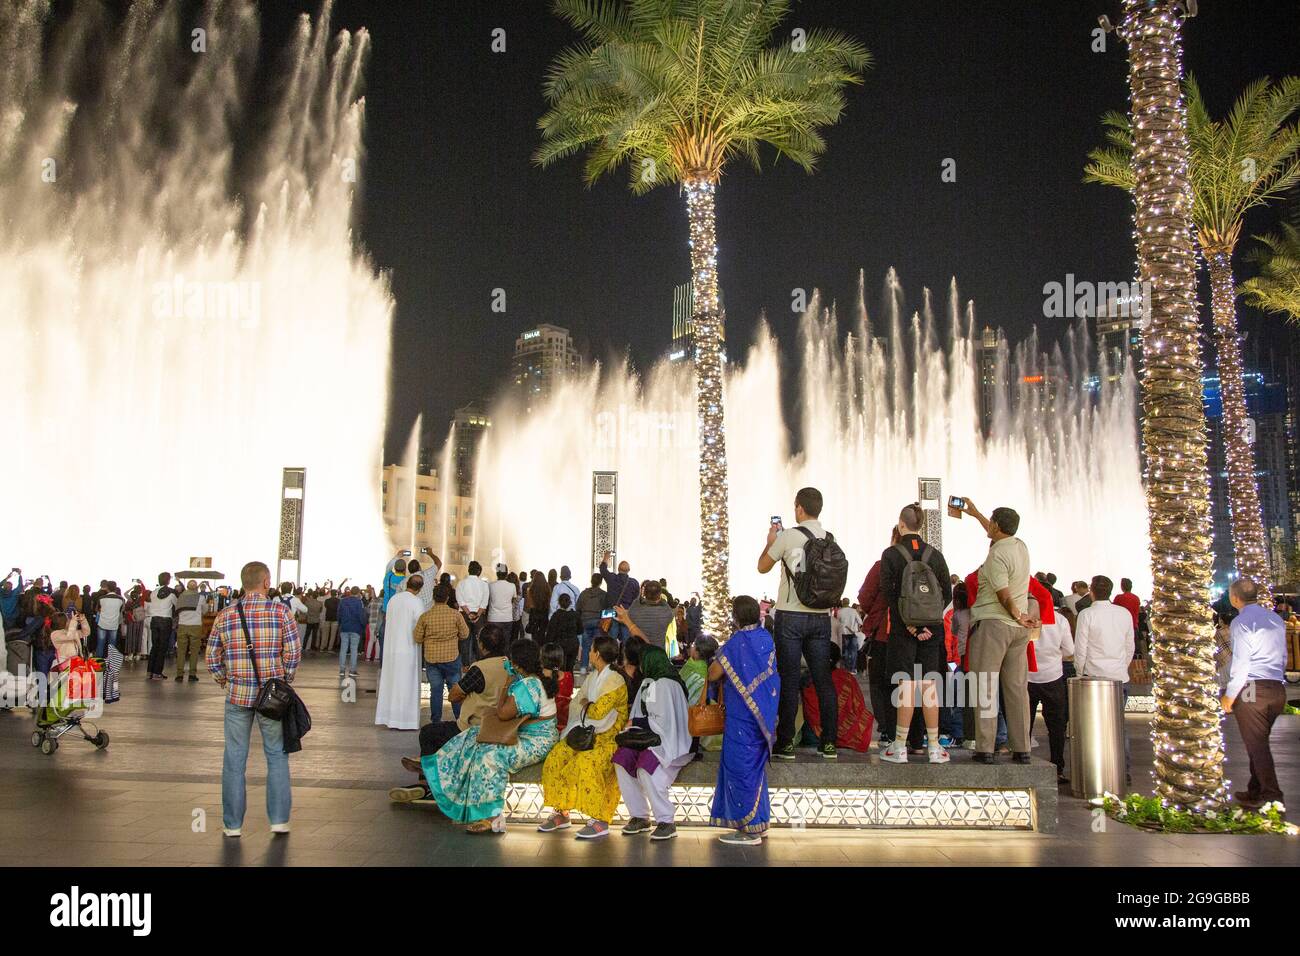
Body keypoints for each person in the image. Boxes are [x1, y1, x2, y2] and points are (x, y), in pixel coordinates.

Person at [420, 638, 559, 834]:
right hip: (531, 735)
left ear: (517, 663)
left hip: (537, 741)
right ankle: (440, 766)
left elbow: (502, 712)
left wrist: (506, 685)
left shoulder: (528, 685)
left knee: (489, 756)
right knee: (474, 734)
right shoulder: (535, 680)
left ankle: (492, 816)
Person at [205, 560, 301, 837]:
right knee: (276, 755)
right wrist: (283, 680)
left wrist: (225, 679)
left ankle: (232, 825)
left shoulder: (226, 615)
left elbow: (212, 657)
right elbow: (293, 652)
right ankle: (279, 820)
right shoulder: (281, 612)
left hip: (237, 696)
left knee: (234, 759)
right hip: (271, 699)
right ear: (266, 581)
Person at [760, 487, 840, 761]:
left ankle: (786, 744)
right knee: (823, 680)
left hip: (790, 616)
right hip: (820, 617)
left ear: (799, 509)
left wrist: (771, 540)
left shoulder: (788, 536)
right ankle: (829, 742)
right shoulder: (829, 539)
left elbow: (762, 566)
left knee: (790, 679)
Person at [961, 500, 1036, 765]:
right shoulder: (1020, 546)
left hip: (994, 625)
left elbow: (1003, 594)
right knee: (1017, 689)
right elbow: (998, 535)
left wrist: (1017, 613)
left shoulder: (996, 555)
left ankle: (985, 747)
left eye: (990, 522)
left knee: (985, 686)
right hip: (1018, 633)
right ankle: (1022, 748)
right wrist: (976, 514)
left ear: (996, 526)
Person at [878, 503, 952, 764]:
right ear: (920, 525)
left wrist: (909, 625)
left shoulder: (891, 555)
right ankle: (933, 747)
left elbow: (888, 594)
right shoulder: (936, 555)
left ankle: (899, 747)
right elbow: (947, 593)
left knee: (906, 686)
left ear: (901, 523)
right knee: (929, 685)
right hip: (932, 633)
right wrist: (928, 625)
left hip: (902, 631)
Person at [538, 634, 629, 839]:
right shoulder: (593, 676)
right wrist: (587, 704)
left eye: (590, 650)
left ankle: (600, 819)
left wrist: (587, 704)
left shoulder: (615, 679)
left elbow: (598, 712)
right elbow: (579, 703)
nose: (588, 653)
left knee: (586, 762)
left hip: (607, 738)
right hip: (585, 732)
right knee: (557, 756)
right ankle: (561, 812)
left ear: (596, 654)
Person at [709, 595, 779, 845]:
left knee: (740, 770)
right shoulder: (766, 639)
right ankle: (758, 822)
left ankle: (748, 830)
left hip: (741, 719)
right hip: (763, 717)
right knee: (755, 771)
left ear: (736, 616)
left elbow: (714, 672)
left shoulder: (737, 642)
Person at [1221, 577, 1288, 810]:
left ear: (1235, 598)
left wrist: (1230, 695)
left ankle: (1272, 795)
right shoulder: (1275, 618)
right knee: (1257, 741)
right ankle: (1255, 789)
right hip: (1276, 688)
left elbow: (1241, 662)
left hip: (1252, 689)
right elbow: (1283, 656)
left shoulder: (1241, 623)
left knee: (1257, 745)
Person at [613, 645, 693, 840]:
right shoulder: (651, 681)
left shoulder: (664, 684)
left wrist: (636, 723)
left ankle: (666, 821)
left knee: (645, 768)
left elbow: (662, 722)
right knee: (621, 759)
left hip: (671, 744)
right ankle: (639, 816)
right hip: (652, 737)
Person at [1027, 596, 1073, 780]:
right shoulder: (1060, 620)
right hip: (1053, 676)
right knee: (1056, 725)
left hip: (1028, 676)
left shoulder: (1026, 619)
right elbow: (1069, 650)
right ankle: (1057, 766)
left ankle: (1023, 759)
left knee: (1025, 723)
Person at [414, 583, 469, 724]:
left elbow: (417, 638)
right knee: (455, 690)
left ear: (433, 597)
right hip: (452, 658)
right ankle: (459, 720)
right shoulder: (455, 615)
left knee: (436, 690)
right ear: (447, 598)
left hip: (432, 660)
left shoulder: (425, 617)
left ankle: (436, 721)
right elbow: (465, 634)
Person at [801, 643, 873, 752]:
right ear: (837, 659)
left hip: (814, 736)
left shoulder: (808, 679)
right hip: (851, 734)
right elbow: (859, 707)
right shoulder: (848, 678)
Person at [375, 575, 425, 731]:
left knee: (391, 684)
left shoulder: (393, 600)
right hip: (408, 649)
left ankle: (389, 718)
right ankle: (406, 720)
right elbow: (420, 625)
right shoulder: (416, 602)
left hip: (391, 649)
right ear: (420, 588)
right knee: (407, 685)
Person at [620, 579, 674, 650]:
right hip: (657, 651)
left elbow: (636, 602)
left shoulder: (635, 608)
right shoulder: (666, 612)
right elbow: (666, 604)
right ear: (660, 594)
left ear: (644, 593)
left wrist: (642, 595)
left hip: (638, 651)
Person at [598, 552, 640, 643]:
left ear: (618, 569)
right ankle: (625, 656)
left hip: (612, 612)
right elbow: (636, 599)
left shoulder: (612, 578)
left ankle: (612, 656)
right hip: (626, 613)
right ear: (629, 570)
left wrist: (606, 557)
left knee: (612, 639)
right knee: (626, 640)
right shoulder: (634, 583)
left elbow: (602, 569)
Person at [145, 572, 178, 680]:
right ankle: (157, 672)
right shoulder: (171, 593)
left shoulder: (153, 592)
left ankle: (149, 671)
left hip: (154, 620)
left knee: (154, 646)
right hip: (165, 620)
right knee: (162, 647)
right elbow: (177, 605)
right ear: (168, 580)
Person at [456, 561, 490, 666]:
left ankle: (465, 665)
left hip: (464, 615)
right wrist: (477, 615)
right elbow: (484, 603)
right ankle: (479, 664)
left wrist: (468, 613)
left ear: (468, 570)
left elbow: (460, 601)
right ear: (479, 571)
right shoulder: (484, 585)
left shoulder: (461, 583)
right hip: (479, 616)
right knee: (479, 640)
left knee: (464, 640)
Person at [575, 572, 610, 673]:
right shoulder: (603, 594)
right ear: (600, 582)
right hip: (598, 622)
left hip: (585, 621)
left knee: (585, 645)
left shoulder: (584, 593)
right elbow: (606, 610)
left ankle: (583, 667)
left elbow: (578, 608)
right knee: (597, 646)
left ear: (591, 581)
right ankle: (596, 668)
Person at [174, 580, 206, 682]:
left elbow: (176, 610)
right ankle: (192, 674)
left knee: (181, 651)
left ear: (187, 587)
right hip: (195, 625)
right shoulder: (201, 597)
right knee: (194, 651)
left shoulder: (181, 597)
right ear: (196, 587)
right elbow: (205, 611)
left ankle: (179, 674)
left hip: (182, 625)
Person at [337, 586, 367, 683]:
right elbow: (361, 616)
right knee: (354, 650)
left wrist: (340, 624)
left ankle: (342, 670)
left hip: (344, 627)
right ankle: (352, 670)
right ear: (358, 593)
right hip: (355, 628)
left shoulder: (343, 601)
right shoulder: (359, 602)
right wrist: (363, 626)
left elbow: (339, 614)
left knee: (343, 649)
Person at [541, 641, 574, 729]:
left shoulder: (536, 678)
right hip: (564, 723)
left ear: (541, 660)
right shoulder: (568, 676)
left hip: (542, 724)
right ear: (561, 660)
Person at [545, 592, 581, 669]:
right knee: (570, 668)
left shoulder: (556, 616)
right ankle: (570, 680)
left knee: (559, 669)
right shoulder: (575, 615)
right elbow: (580, 630)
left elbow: (550, 633)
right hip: (573, 644)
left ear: (559, 603)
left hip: (559, 646)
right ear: (570, 602)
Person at [94, 582, 124, 660]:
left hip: (102, 624)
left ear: (107, 588)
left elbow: (96, 609)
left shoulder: (101, 598)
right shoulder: (121, 599)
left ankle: (98, 663)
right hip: (114, 624)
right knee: (112, 645)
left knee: (100, 644)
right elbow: (121, 610)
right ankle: (111, 662)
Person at [487, 564, 517, 639]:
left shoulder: (490, 585)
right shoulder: (512, 586)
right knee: (506, 642)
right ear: (506, 574)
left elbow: (487, 599)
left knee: (493, 642)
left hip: (493, 618)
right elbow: (513, 600)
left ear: (497, 573)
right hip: (507, 618)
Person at [837, 598, 863, 673]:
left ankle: (846, 669)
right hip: (853, 633)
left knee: (845, 652)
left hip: (843, 633)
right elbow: (860, 622)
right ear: (849, 603)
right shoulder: (853, 611)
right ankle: (852, 669)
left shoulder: (839, 611)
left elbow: (838, 622)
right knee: (853, 652)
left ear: (842, 603)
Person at [321, 588, 341, 653]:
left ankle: (322, 647)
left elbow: (326, 607)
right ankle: (330, 648)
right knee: (333, 635)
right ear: (336, 594)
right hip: (335, 619)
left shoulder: (327, 601)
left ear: (331, 594)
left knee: (325, 634)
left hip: (327, 618)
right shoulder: (339, 601)